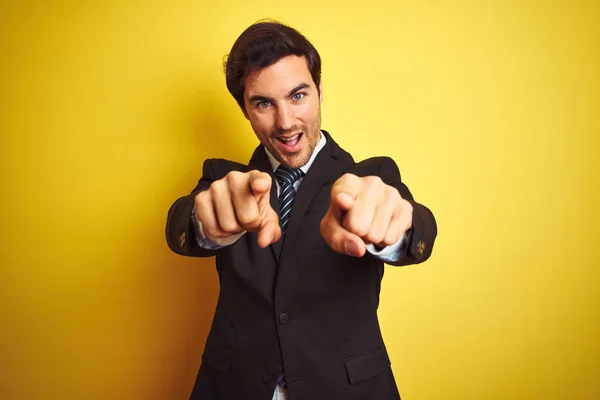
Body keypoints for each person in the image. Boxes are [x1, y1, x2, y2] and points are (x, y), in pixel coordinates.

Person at [166, 20, 437, 400]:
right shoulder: (225, 180)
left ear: (320, 91)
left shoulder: (370, 177)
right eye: (263, 103)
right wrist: (206, 224)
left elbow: (418, 231)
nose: (286, 122)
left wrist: (395, 229)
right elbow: (180, 226)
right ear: (244, 109)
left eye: (298, 96)